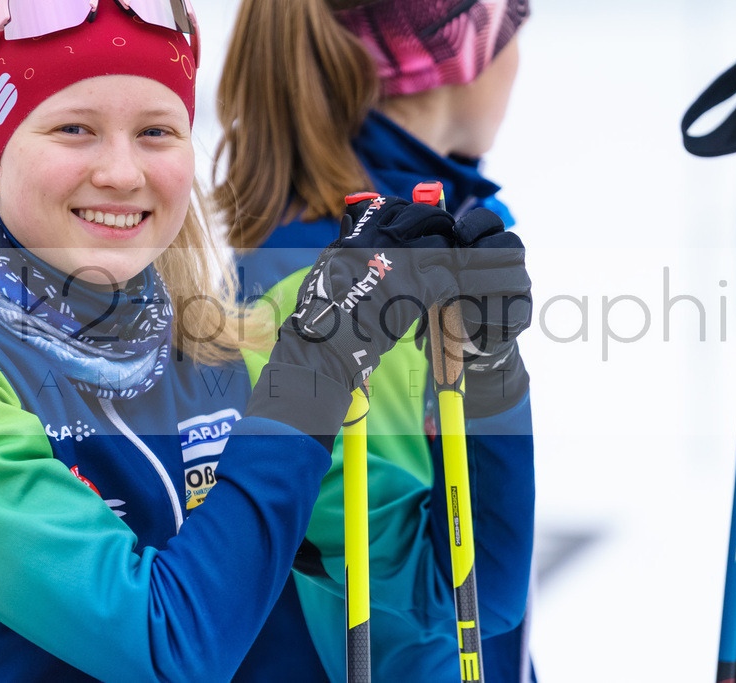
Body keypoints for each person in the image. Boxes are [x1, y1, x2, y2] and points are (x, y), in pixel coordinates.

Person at [0, 1, 526, 680]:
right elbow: (168, 650)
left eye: (156, 132)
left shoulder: (229, 356)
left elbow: (462, 597)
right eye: (74, 128)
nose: (122, 172)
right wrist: (312, 375)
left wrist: (489, 363)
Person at [213, 0, 538, 680]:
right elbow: (427, 606)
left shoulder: (355, 243)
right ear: (454, 55)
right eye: (513, 31)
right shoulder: (363, 281)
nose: (519, 61)